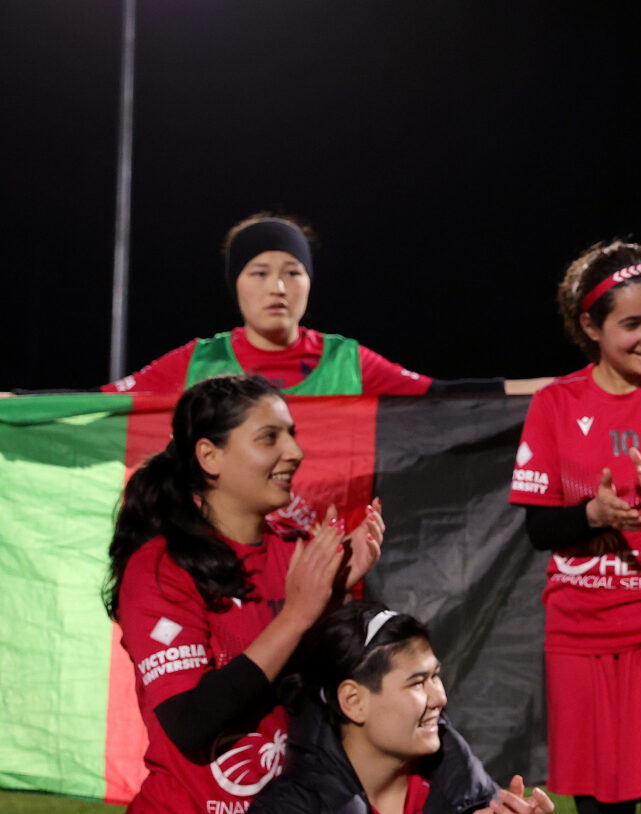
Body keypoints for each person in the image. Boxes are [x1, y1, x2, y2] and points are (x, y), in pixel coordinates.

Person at [104, 374, 384, 813]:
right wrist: (296, 615)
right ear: (210, 456)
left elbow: (320, 699)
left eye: (292, 435)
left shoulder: (295, 550)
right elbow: (191, 722)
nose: (294, 452)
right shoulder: (161, 568)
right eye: (269, 437)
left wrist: (333, 597)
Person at [509, 240, 641, 814]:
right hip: (584, 636)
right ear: (590, 325)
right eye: (632, 323)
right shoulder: (556, 403)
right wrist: (591, 515)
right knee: (599, 806)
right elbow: (537, 528)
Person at [104, 211, 549, 396]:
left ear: (309, 283)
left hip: (330, 571)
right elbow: (92, 406)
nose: (277, 287)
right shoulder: (198, 363)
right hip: (221, 575)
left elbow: (447, 400)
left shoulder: (346, 362)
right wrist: (29, 404)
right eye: (259, 273)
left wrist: (564, 387)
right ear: (235, 284)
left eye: (292, 272)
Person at [249, 601, 555, 814]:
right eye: (418, 683)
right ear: (354, 702)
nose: (441, 697)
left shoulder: (461, 786)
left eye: (436, 676)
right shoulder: (288, 807)